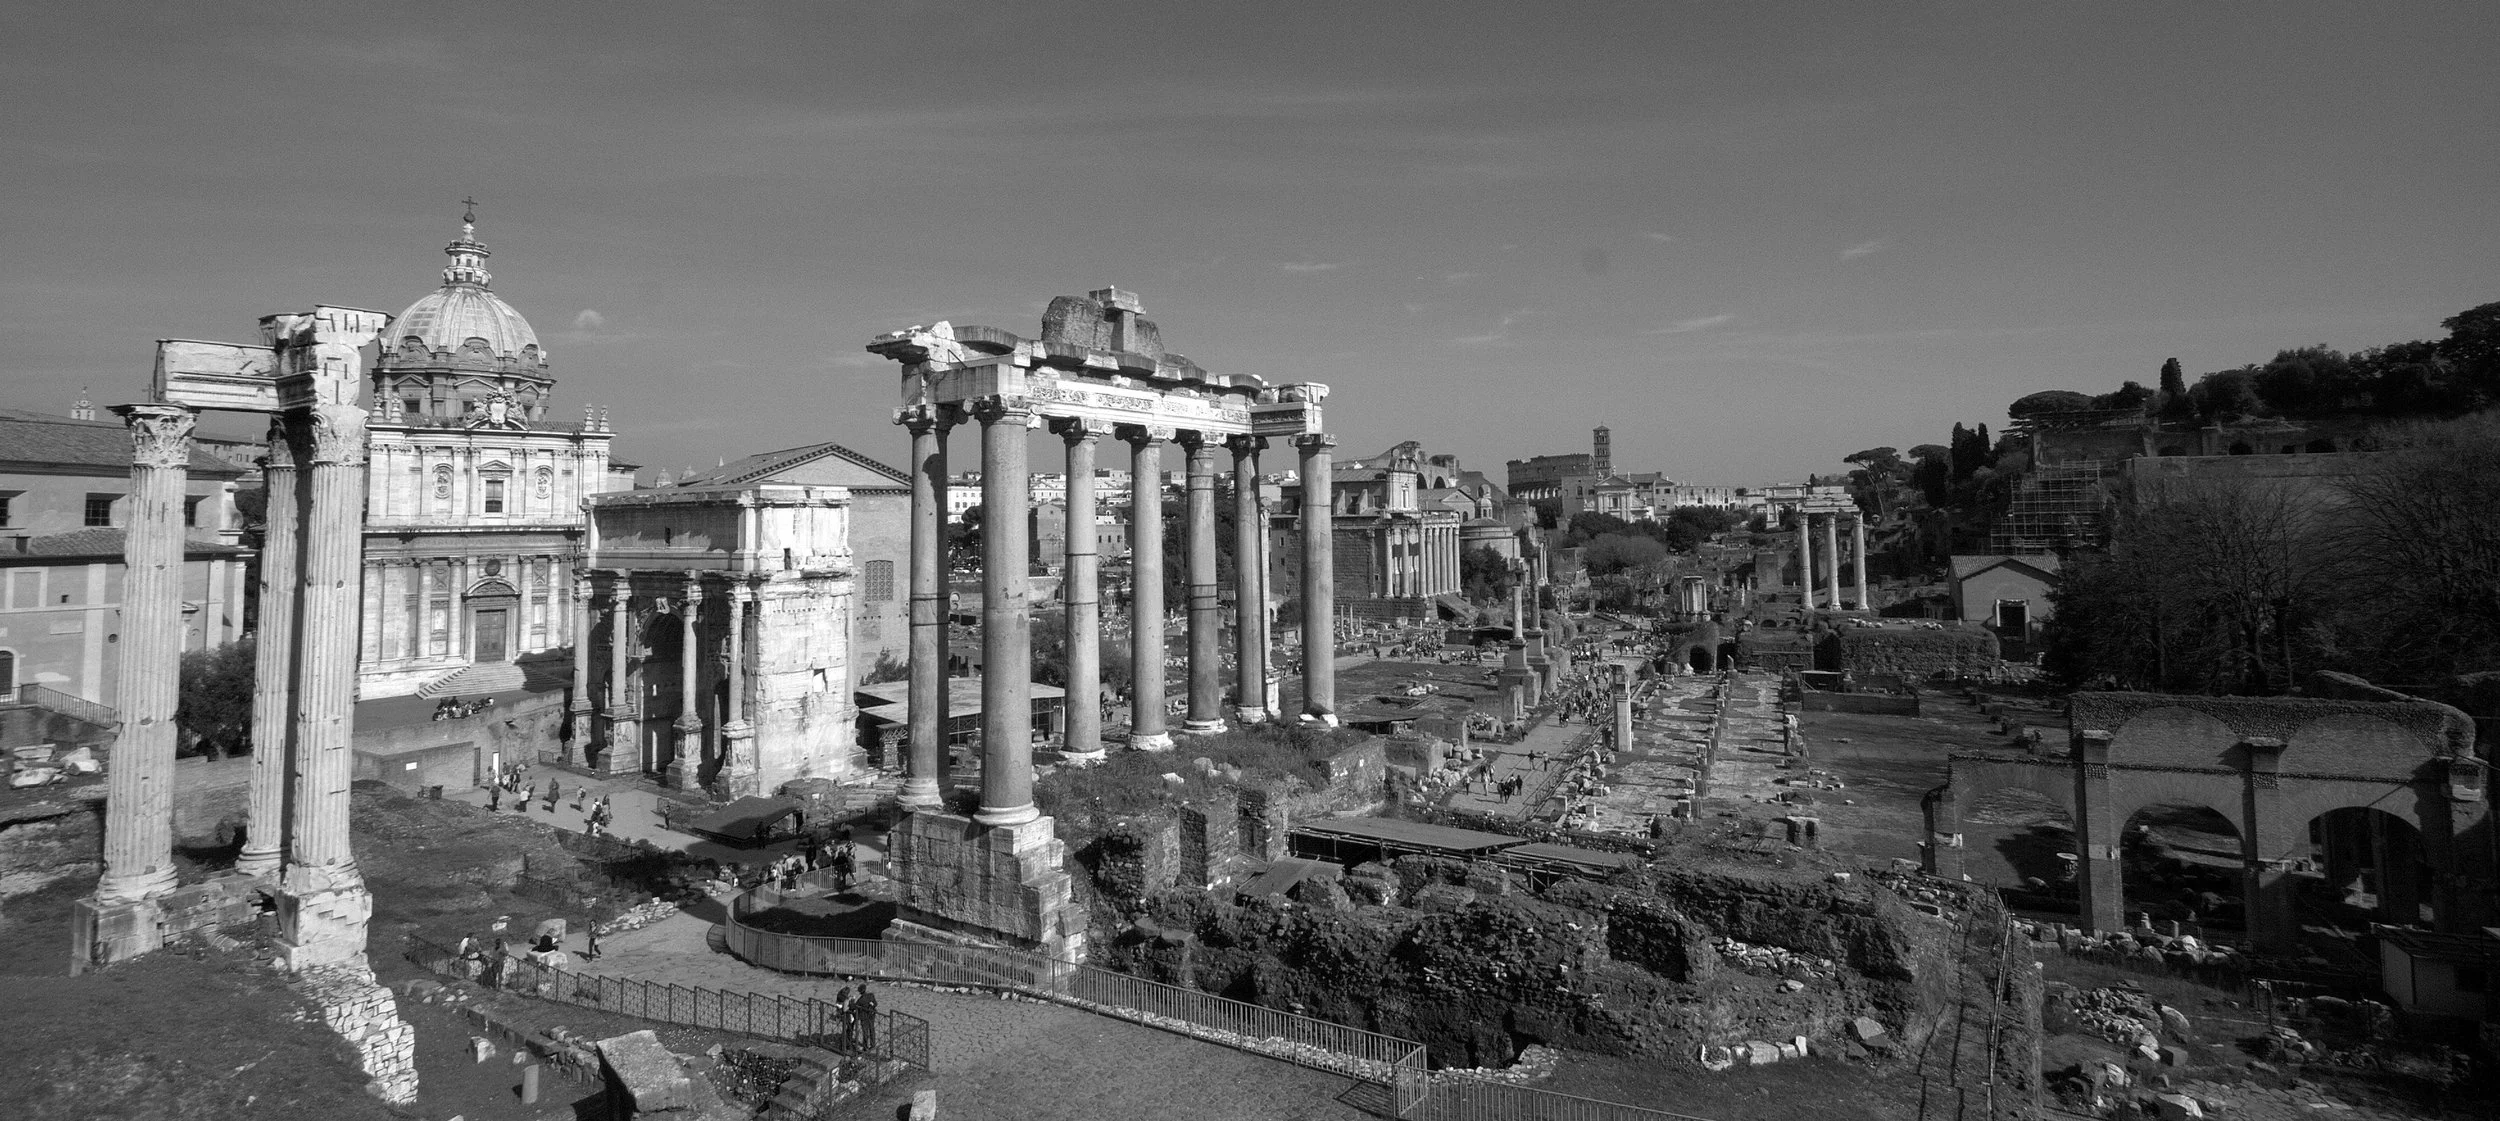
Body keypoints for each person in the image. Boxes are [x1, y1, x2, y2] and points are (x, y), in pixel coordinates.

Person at [854, 984, 878, 1052]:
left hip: (864, 1017)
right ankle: (873, 1045)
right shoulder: (871, 995)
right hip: (871, 1015)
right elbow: (875, 1004)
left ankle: (865, 1046)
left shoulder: (860, 1000)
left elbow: (856, 1007)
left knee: (865, 1031)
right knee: (872, 1029)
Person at [832, 985, 856, 1051]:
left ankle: (845, 1044)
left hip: (841, 1014)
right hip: (846, 1015)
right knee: (849, 1030)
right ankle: (846, 1044)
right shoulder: (845, 999)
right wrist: (852, 999)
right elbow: (847, 1008)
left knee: (847, 1030)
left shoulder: (839, 996)